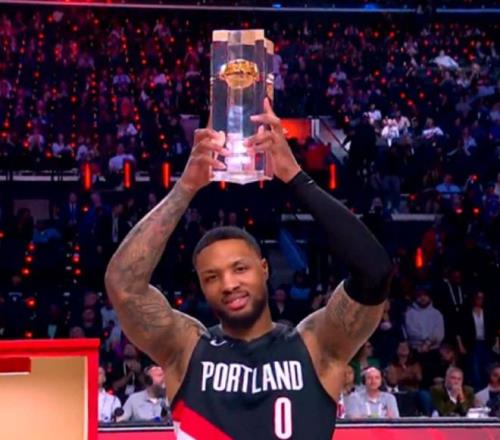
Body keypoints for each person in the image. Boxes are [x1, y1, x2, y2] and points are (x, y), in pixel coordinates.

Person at [105, 98, 393, 439]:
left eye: (239, 268)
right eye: (212, 277)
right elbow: (123, 285)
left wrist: (296, 178)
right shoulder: (185, 348)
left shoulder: (316, 345)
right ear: (202, 286)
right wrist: (185, 188)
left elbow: (375, 272)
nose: (228, 284)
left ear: (264, 269)